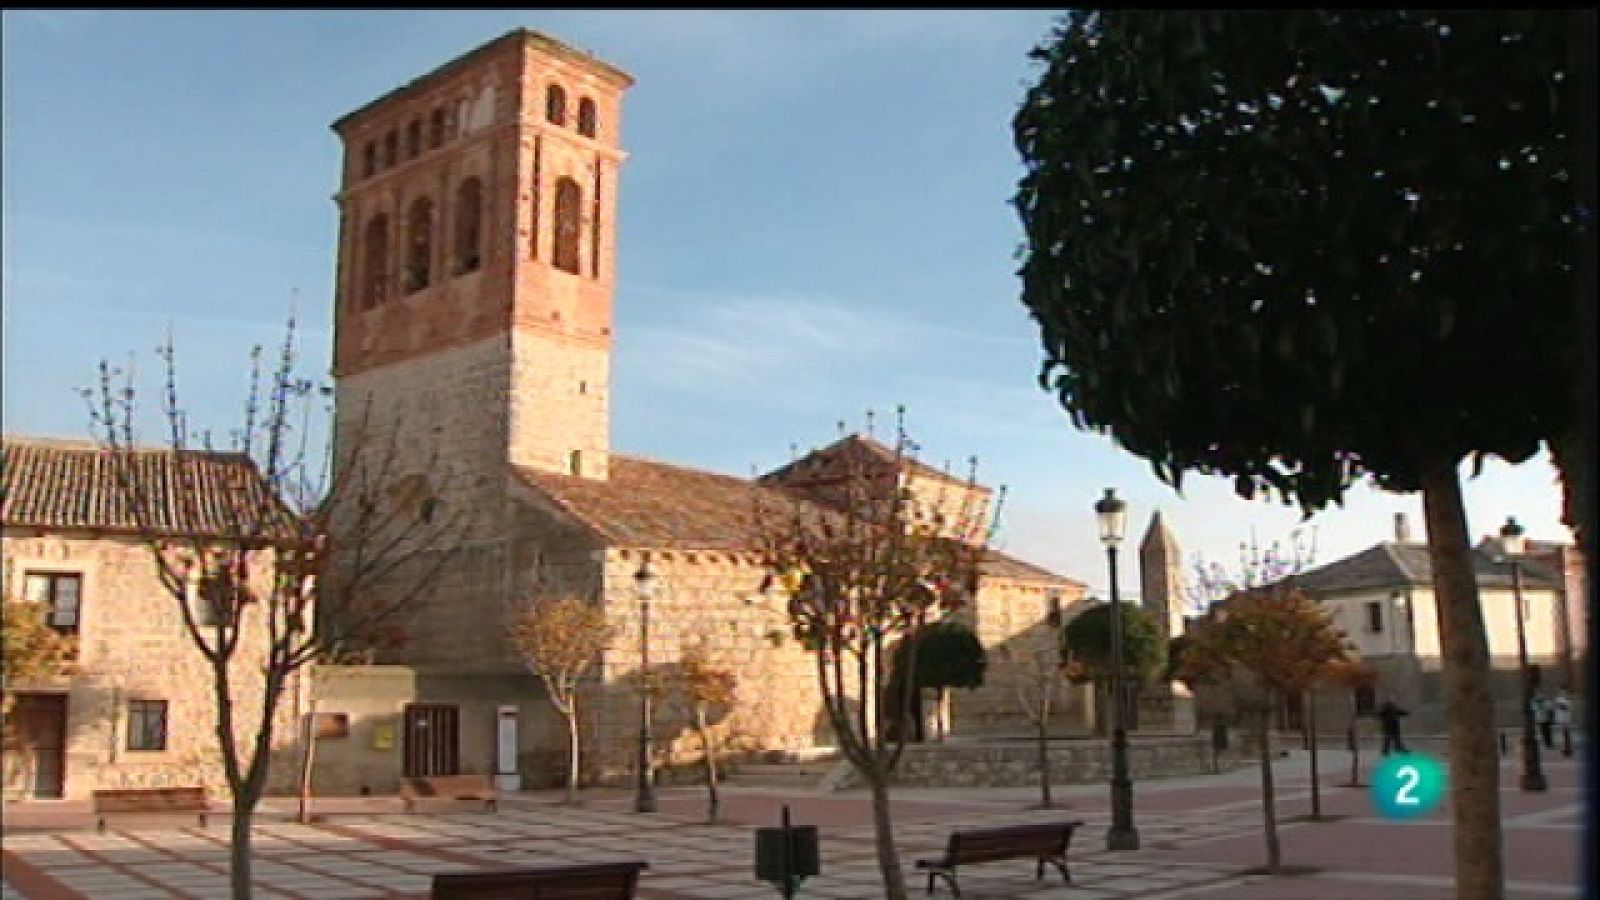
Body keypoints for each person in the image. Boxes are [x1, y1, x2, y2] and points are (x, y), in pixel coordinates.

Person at [1553, 689, 1574, 757]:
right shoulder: (1559, 700)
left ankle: (1567, 750)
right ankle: (1567, 749)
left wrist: (1562, 706)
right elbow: (1556, 707)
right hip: (1562, 720)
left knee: (1567, 735)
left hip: (1566, 720)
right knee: (1565, 735)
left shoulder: (1567, 701)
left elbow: (1567, 708)